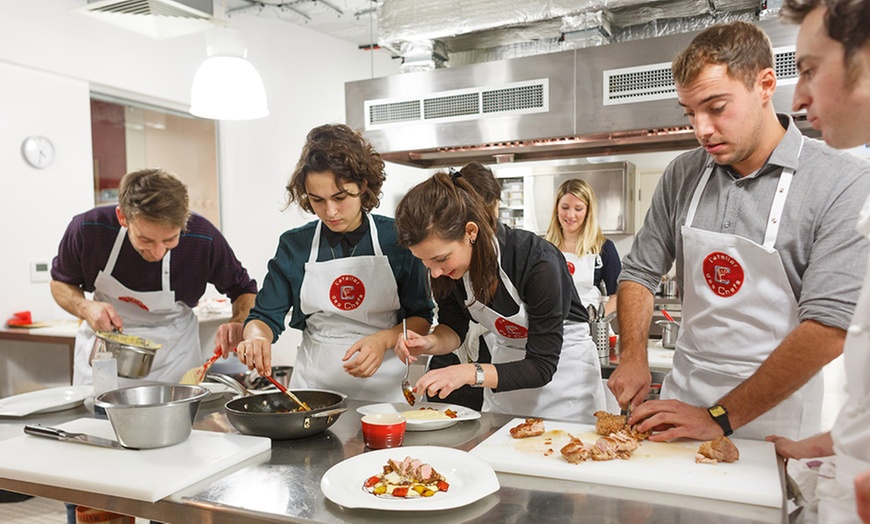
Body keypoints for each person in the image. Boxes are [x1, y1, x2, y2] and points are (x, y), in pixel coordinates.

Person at [609, 20, 870, 442]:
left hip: (773, 416)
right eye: (690, 113)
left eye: (716, 108)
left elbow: (827, 326)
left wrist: (718, 418)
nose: (701, 129)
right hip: (681, 399)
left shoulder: (840, 181)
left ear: (765, 84)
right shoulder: (684, 173)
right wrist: (633, 356)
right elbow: (639, 271)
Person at [763, 1, 870, 522]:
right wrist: (835, 442)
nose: (799, 98)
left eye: (808, 69)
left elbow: (827, 325)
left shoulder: (842, 181)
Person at [236, 124, 433, 402]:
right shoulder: (295, 245)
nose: (330, 211)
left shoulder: (396, 238)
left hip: (384, 389)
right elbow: (264, 317)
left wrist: (383, 341)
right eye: (317, 200)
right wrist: (256, 337)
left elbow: (422, 318)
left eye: (340, 197)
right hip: (314, 388)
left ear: (363, 187)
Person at [393, 171, 606, 421]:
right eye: (425, 262)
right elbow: (453, 328)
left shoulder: (537, 260)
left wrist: (468, 373)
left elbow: (542, 366)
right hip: (505, 384)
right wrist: (429, 342)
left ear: (470, 232)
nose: (436, 272)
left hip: (565, 384)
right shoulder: (446, 272)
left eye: (441, 259)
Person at [51, 168, 257, 385]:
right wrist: (85, 307)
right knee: (95, 417)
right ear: (122, 217)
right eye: (145, 240)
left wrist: (239, 321)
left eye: (169, 240)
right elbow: (60, 282)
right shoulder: (88, 229)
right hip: (105, 353)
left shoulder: (203, 238)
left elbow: (244, 290)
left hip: (176, 357)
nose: (158, 253)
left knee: (176, 418)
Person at [426, 162, 501, 410]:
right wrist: (428, 343)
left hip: (493, 362)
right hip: (451, 365)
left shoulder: (518, 258)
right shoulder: (442, 262)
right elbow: (452, 324)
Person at [545, 178, 621, 316]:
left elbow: (616, 296)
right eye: (565, 207)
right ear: (556, 208)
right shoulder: (543, 248)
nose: (570, 215)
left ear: (588, 212)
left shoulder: (604, 248)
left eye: (578, 209)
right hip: (552, 328)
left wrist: (596, 320)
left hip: (589, 330)